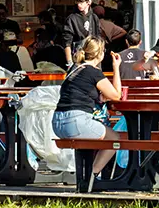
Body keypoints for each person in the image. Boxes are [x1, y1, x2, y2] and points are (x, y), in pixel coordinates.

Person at [51, 36, 122, 177]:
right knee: (114, 138)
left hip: (57, 123)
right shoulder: (93, 72)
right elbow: (116, 95)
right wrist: (116, 67)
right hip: (76, 122)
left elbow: (85, 92)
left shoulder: (74, 69)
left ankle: (86, 176)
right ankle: (92, 175)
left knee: (95, 136)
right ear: (100, 54)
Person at [62, 0, 101, 66]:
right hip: (78, 57)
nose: (79, 4)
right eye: (77, 2)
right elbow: (67, 43)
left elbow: (98, 39)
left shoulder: (94, 17)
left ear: (89, 2)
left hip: (94, 57)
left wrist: (99, 59)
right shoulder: (71, 18)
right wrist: (70, 62)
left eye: (81, 2)